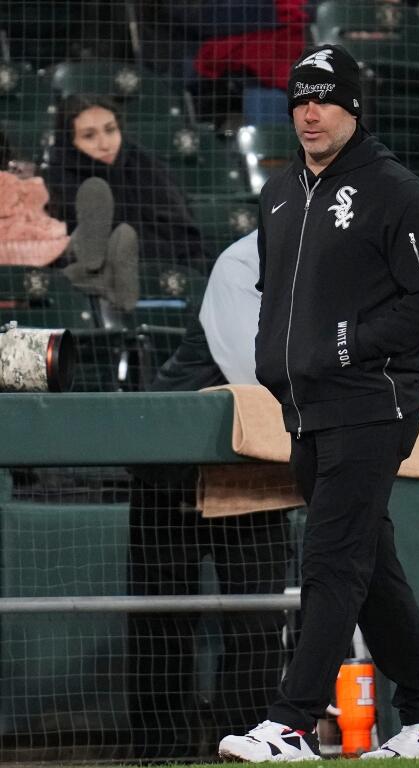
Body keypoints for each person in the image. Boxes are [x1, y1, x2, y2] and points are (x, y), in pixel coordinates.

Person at [217, 44, 419, 762]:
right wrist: (277, 362)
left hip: (374, 400)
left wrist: (352, 344)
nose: (309, 112)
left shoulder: (395, 190)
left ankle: (290, 723)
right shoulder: (279, 192)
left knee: (329, 560)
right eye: (299, 100)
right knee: (371, 569)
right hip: (305, 409)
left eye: (323, 99)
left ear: (354, 106)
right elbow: (277, 300)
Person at [126, 232, 292, 760]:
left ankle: (246, 744)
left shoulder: (331, 259)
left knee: (257, 622)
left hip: (252, 477)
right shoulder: (242, 262)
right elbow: (260, 370)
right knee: (162, 625)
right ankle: (162, 752)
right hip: (171, 472)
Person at [42, 94, 207, 272]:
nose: (105, 144)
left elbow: (186, 237)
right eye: (89, 136)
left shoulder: (146, 167)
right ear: (70, 142)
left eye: (111, 130)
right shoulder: (54, 183)